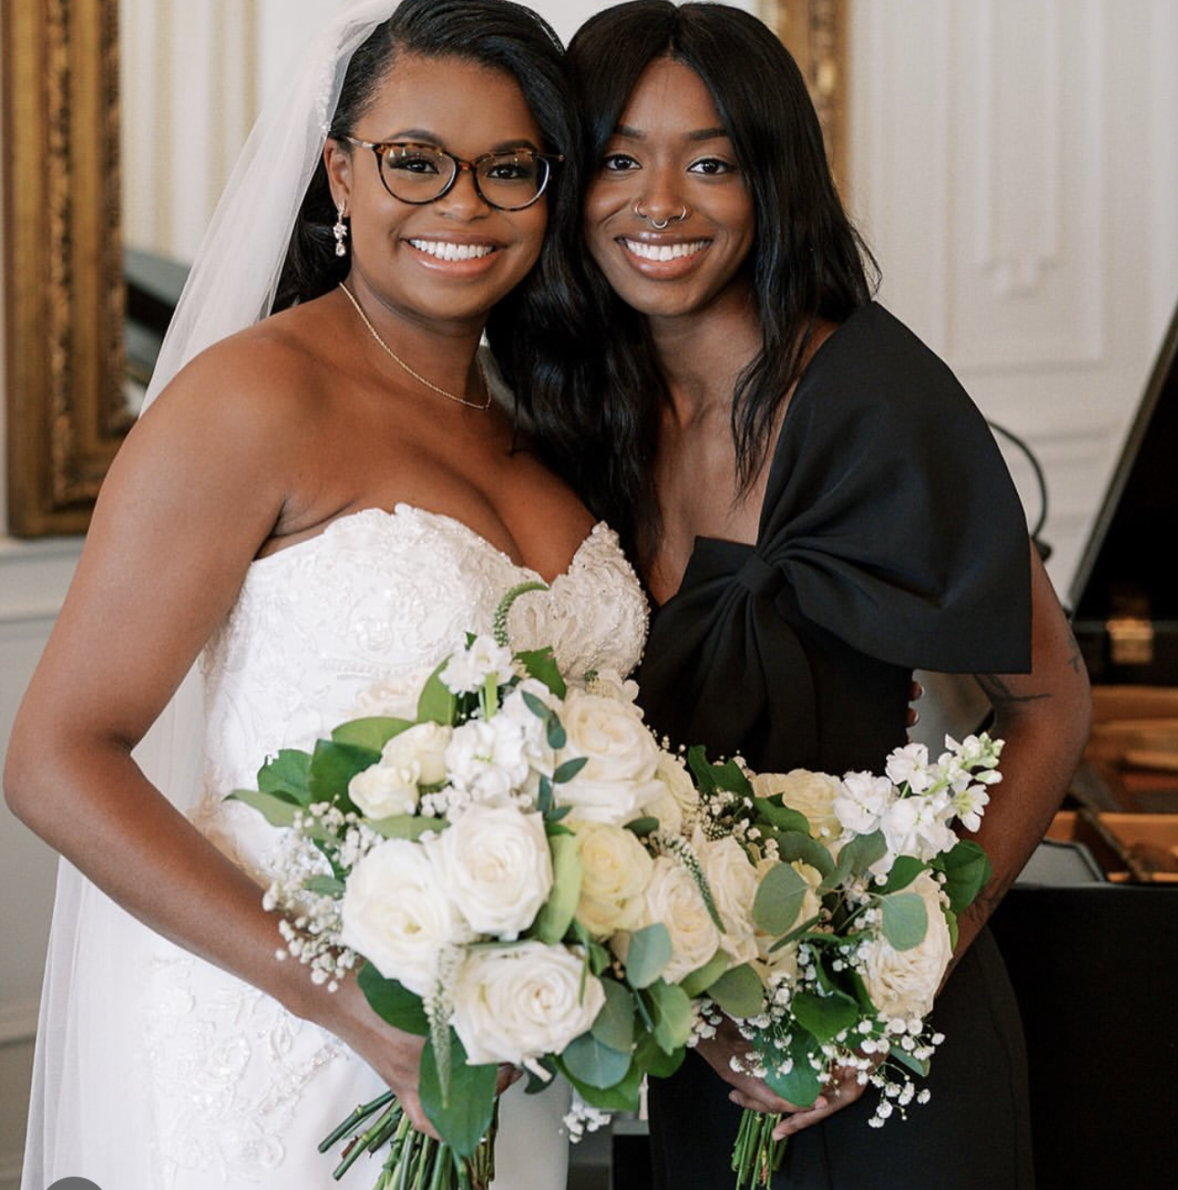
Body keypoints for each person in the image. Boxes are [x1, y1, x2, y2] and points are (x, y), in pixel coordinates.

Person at [3, 2, 649, 1187]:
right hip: (276, 1036)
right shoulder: (252, 401)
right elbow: (56, 758)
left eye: (508, 168)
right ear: (340, 174)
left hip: (492, 1048)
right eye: (415, 161)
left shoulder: (543, 421)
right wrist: (341, 995)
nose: (462, 203)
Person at [523, 3, 1093, 1187]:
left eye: (710, 162)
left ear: (770, 182)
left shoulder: (874, 401)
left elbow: (1051, 705)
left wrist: (888, 984)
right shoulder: (584, 418)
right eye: (620, 160)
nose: (659, 201)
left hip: (894, 1056)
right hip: (703, 1048)